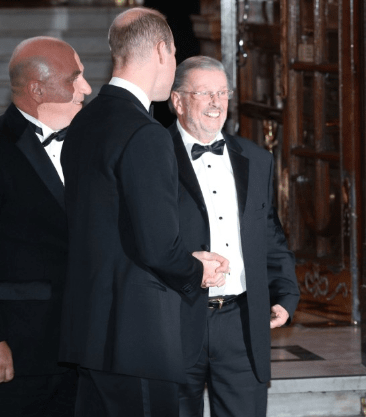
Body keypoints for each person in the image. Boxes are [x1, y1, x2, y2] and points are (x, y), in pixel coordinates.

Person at [59, 8, 229, 417]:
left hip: (91, 332)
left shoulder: (84, 121)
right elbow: (158, 246)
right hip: (139, 338)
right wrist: (198, 270)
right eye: (173, 57)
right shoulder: (146, 133)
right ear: (161, 50)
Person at [0, 36, 92, 416]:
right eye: (74, 78)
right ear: (37, 88)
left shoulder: (91, 144)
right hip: (15, 348)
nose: (87, 88)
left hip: (84, 347)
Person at [168, 56, 300, 417]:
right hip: (175, 317)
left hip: (241, 320)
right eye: (204, 93)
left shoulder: (256, 158)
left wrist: (286, 292)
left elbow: (269, 232)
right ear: (177, 101)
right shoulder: (153, 156)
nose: (216, 102)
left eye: (222, 92)